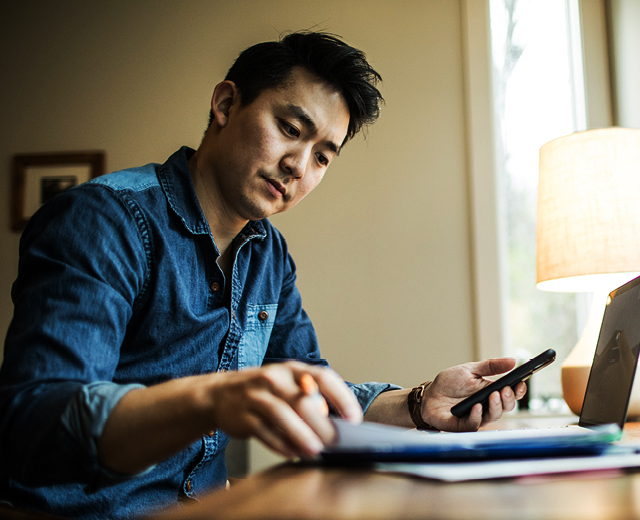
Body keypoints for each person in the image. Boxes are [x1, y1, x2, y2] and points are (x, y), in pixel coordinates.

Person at [0, 31, 525, 519]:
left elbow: (313, 392)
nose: (299, 165)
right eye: (290, 130)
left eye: (323, 156)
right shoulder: (103, 221)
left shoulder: (267, 254)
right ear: (226, 105)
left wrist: (421, 402)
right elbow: (37, 425)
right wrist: (210, 399)